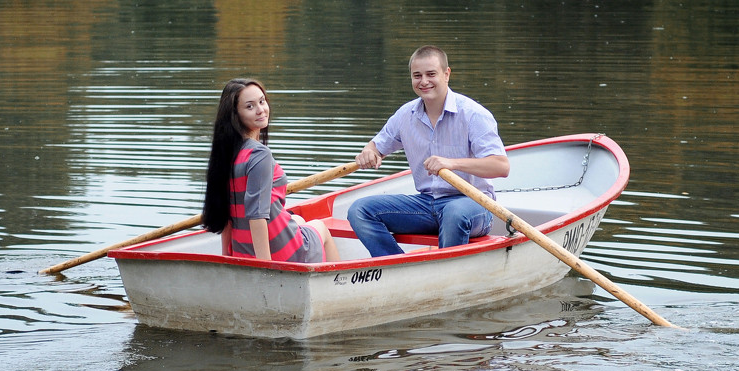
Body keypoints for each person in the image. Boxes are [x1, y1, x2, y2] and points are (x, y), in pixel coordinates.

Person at [347, 46, 510, 256]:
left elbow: (501, 166)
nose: (424, 81)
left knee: (454, 213)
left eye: (431, 74)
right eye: (417, 76)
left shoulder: (473, 115)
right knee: (359, 210)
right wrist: (368, 152)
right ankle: (397, 267)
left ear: (446, 74)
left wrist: (452, 163)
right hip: (427, 204)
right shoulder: (405, 115)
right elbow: (376, 147)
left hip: (474, 205)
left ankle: (448, 276)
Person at [201, 78, 339, 263]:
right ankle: (335, 285)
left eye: (262, 101)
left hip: (242, 251)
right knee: (320, 227)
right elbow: (257, 216)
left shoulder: (226, 153)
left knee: (297, 220)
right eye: (250, 106)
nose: (261, 110)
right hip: (277, 254)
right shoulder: (259, 154)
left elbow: (226, 212)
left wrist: (227, 257)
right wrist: (266, 268)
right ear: (235, 114)